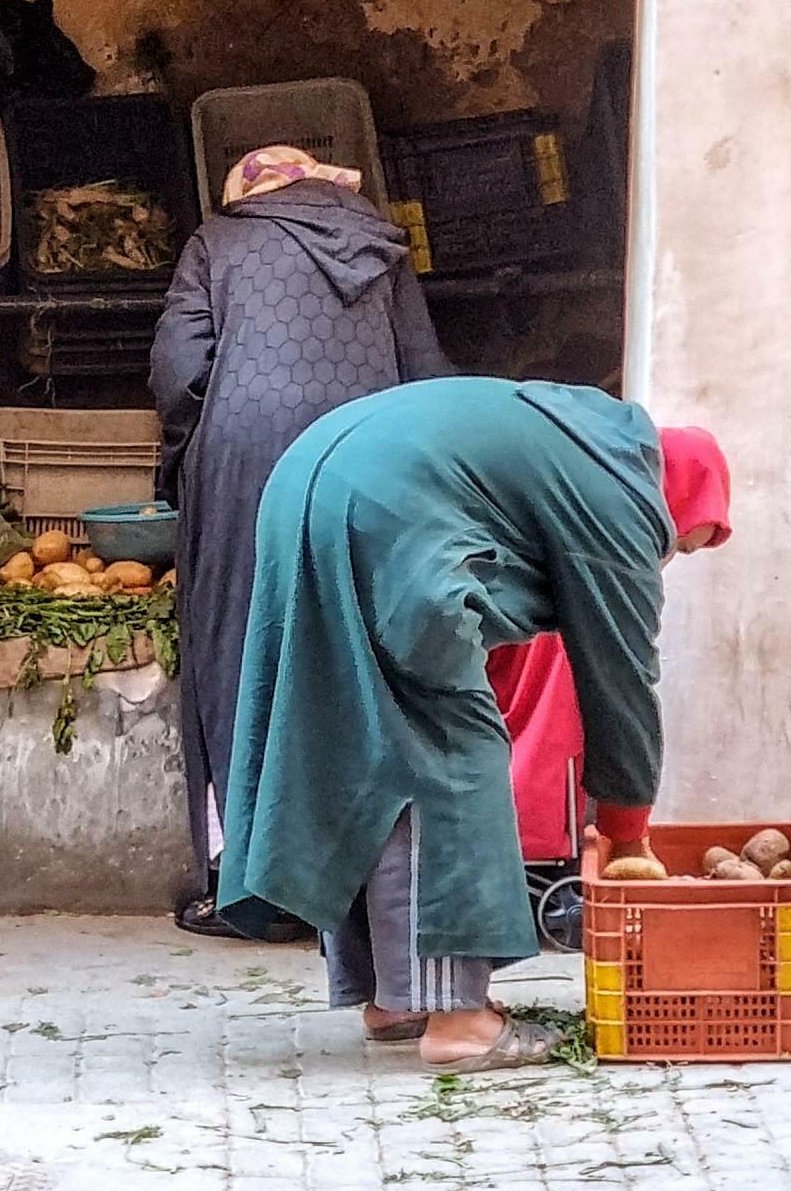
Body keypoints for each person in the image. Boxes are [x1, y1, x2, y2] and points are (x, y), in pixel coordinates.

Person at [217, 381, 731, 1066]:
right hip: (386, 508)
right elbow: (621, 681)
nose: (672, 560)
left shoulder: (584, 438)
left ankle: (395, 996)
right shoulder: (626, 503)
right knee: (452, 751)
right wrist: (626, 831)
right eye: (688, 547)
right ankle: (460, 1024)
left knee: (370, 740)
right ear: (679, 502)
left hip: (307, 479)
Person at [150, 143, 445, 937]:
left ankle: (254, 887)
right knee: (361, 659)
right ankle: (364, 891)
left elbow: (179, 369)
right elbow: (425, 372)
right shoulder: (382, 246)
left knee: (238, 650)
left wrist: (186, 461)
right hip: (368, 457)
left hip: (245, 463)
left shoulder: (217, 243)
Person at [486, 422, 734, 890]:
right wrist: (627, 831)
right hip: (530, 830)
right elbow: (621, 699)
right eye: (677, 544)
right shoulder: (600, 576)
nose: (664, 560)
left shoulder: (565, 521)